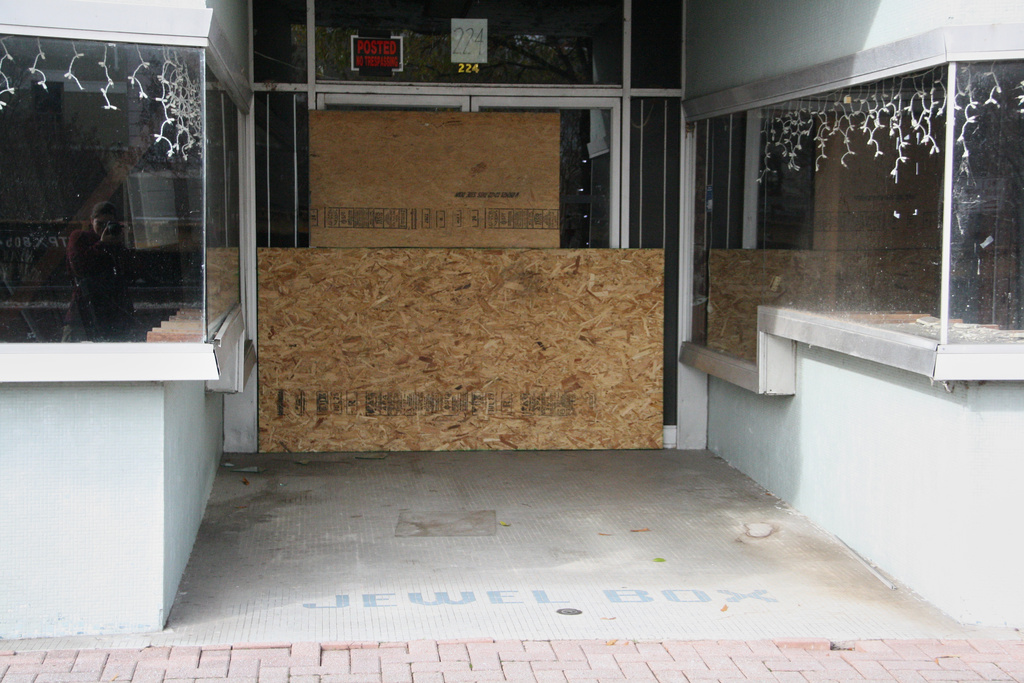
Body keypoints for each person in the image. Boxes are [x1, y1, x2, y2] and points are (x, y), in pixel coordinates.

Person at [63, 201, 137, 342]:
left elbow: (131, 273)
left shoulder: (117, 244)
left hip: (113, 313)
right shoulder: (80, 237)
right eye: (100, 224)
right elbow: (79, 267)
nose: (104, 229)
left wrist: (121, 245)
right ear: (91, 221)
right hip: (84, 312)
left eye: (108, 224)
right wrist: (102, 244)